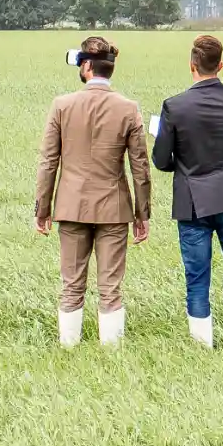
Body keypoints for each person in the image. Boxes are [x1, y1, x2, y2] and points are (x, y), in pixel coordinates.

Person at [152, 35, 223, 348]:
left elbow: (161, 160)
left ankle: (202, 345)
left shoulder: (174, 107)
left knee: (197, 279)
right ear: (220, 65)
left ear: (191, 66)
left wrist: (182, 161)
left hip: (191, 203)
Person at [35, 36, 151, 347]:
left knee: (72, 284)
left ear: (86, 66)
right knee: (110, 287)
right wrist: (143, 213)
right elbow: (140, 166)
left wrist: (42, 208)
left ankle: (68, 347)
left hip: (71, 206)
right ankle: (111, 352)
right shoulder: (129, 108)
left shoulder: (62, 105)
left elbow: (49, 161)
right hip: (114, 208)